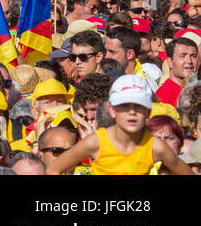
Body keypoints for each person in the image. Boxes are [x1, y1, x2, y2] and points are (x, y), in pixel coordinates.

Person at [48, 75, 193, 175]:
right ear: (111, 110)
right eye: (124, 106)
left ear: (148, 111)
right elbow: (53, 170)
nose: (132, 112)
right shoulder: (96, 142)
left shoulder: (155, 146)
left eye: (139, 106)